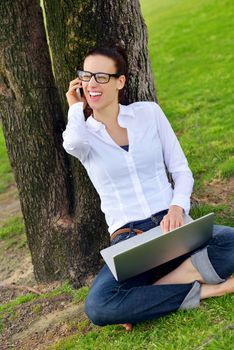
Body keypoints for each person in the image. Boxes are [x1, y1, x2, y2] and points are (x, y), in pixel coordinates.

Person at [62, 45, 234, 331]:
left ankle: (156, 289)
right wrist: (75, 107)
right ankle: (207, 289)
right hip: (131, 240)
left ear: (120, 82)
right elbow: (73, 144)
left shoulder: (148, 114)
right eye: (86, 76)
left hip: (175, 226)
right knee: (99, 305)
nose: (92, 84)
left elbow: (180, 170)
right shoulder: (83, 135)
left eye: (102, 77)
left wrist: (178, 207)